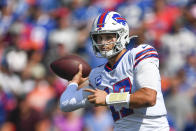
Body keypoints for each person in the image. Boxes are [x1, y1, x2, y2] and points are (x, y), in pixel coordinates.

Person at [60, 11, 169, 131]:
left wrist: (108, 98)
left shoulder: (139, 54)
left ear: (122, 35)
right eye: (99, 37)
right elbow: (66, 104)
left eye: (108, 37)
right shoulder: (98, 75)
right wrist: (73, 83)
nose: (102, 43)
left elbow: (149, 97)